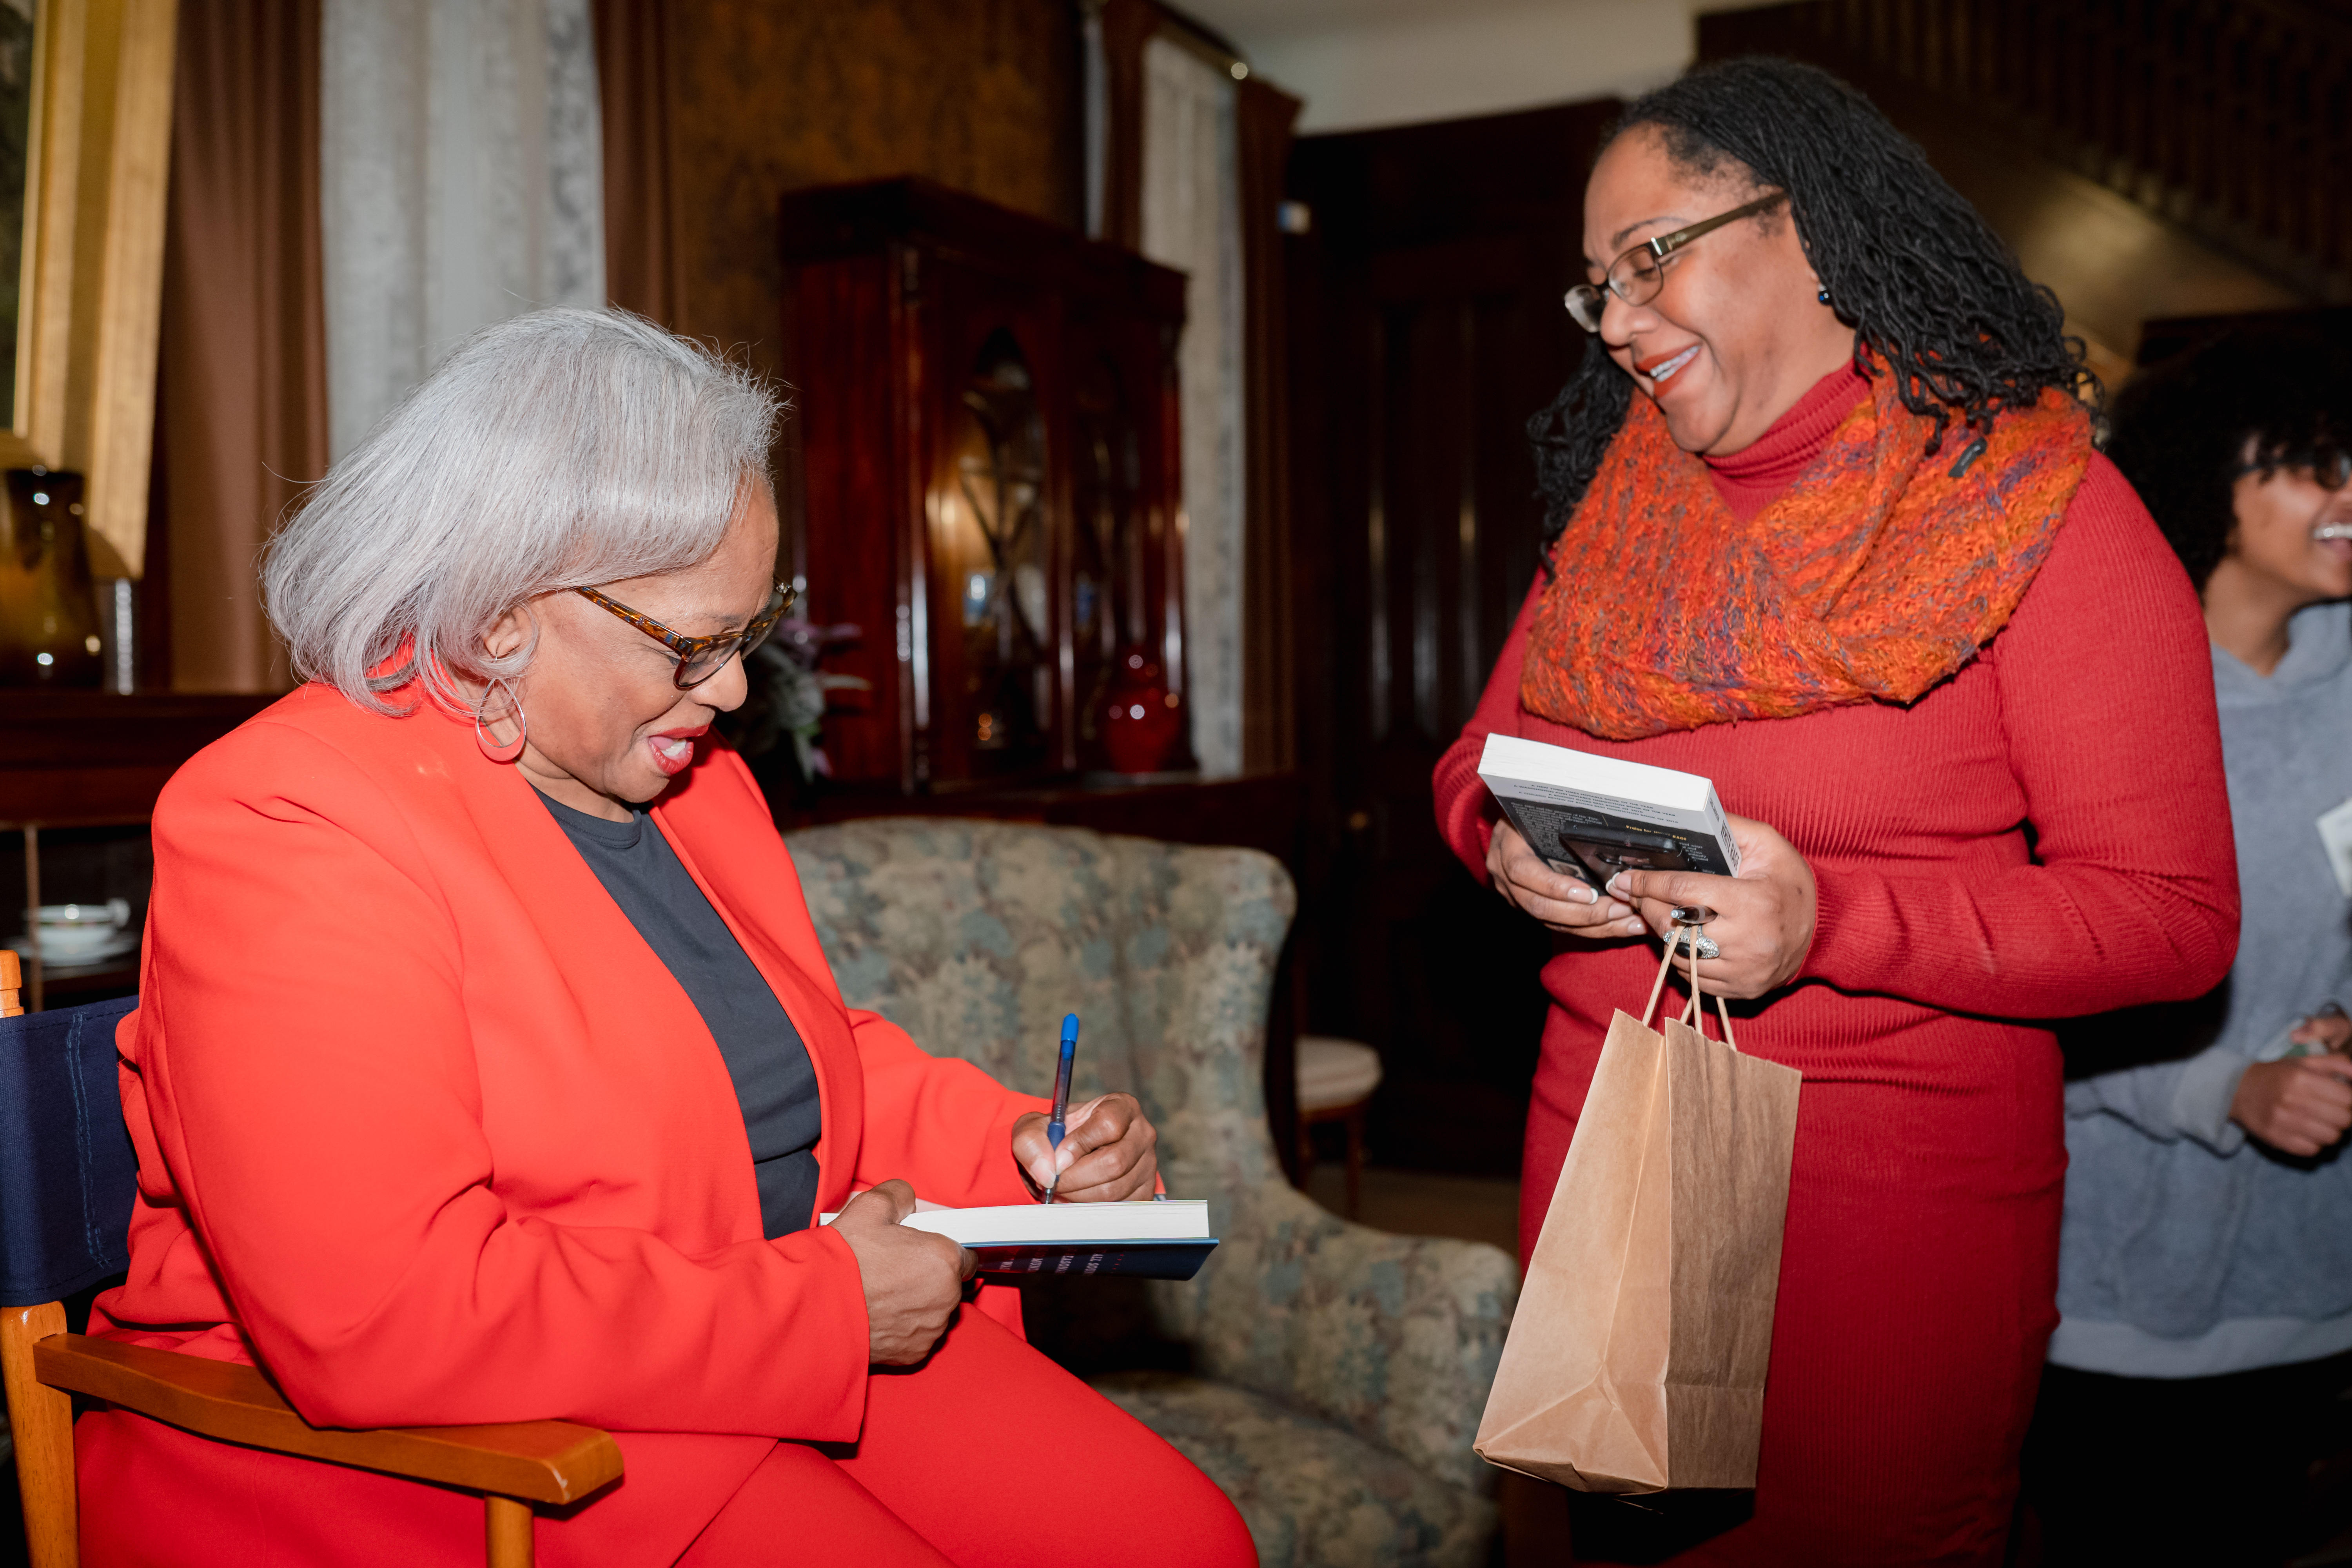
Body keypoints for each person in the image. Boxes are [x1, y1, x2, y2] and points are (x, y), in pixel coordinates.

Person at [78, 309, 1257, 1568]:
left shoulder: (695, 787)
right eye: (695, 645)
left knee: (1183, 1542)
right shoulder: (288, 819)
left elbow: (794, 1073)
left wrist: (1020, 1150)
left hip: (730, 1339)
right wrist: (823, 1312)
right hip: (457, 1441)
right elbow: (387, 1314)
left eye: (748, 633)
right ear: (499, 617)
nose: (737, 691)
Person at [1431, 59, 2239, 1564]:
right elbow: (1478, 759)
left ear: (1811, 231)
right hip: (1611, 1133)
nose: (1613, 319)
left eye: (1650, 259)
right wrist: (1508, 843)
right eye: (1594, 287)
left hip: (1896, 1187)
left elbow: (2175, 922)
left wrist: (1836, 920)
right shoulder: (1615, 505)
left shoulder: (2035, 507)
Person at [2022, 326, 2352, 1567]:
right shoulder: (2109, 693)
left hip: (2313, 1281)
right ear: (2210, 475)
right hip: (2120, 1299)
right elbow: (2048, 984)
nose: (2350, 498)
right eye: (2316, 465)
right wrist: (2228, 1087)